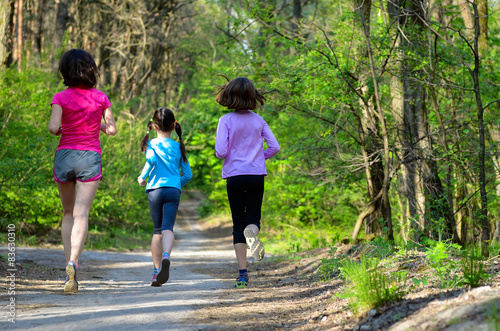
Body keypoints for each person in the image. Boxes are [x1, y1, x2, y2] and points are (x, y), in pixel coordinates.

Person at [48, 49, 117, 294]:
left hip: (65, 155)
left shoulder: (60, 96)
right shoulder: (101, 97)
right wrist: (94, 123)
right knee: (82, 212)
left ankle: (68, 268)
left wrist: (64, 127)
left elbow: (53, 126)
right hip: (89, 157)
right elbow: (111, 130)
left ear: (65, 70)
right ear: (91, 70)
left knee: (67, 213)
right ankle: (74, 262)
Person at [214, 77, 280, 288]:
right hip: (255, 175)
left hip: (234, 175)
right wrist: (259, 157)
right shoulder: (258, 120)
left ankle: (243, 274)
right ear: (252, 96)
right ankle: (253, 234)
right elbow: (275, 147)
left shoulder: (225, 121)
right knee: (253, 219)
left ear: (230, 96)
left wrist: (231, 155)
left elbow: (221, 152)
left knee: (238, 222)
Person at [137, 107, 192, 286]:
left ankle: (155, 271)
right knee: (168, 227)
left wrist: (142, 178)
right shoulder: (178, 146)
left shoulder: (151, 144)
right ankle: (167, 255)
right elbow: (187, 175)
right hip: (173, 190)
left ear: (154, 126)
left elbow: (151, 161)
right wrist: (176, 185)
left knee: (157, 230)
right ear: (173, 125)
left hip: (155, 190)